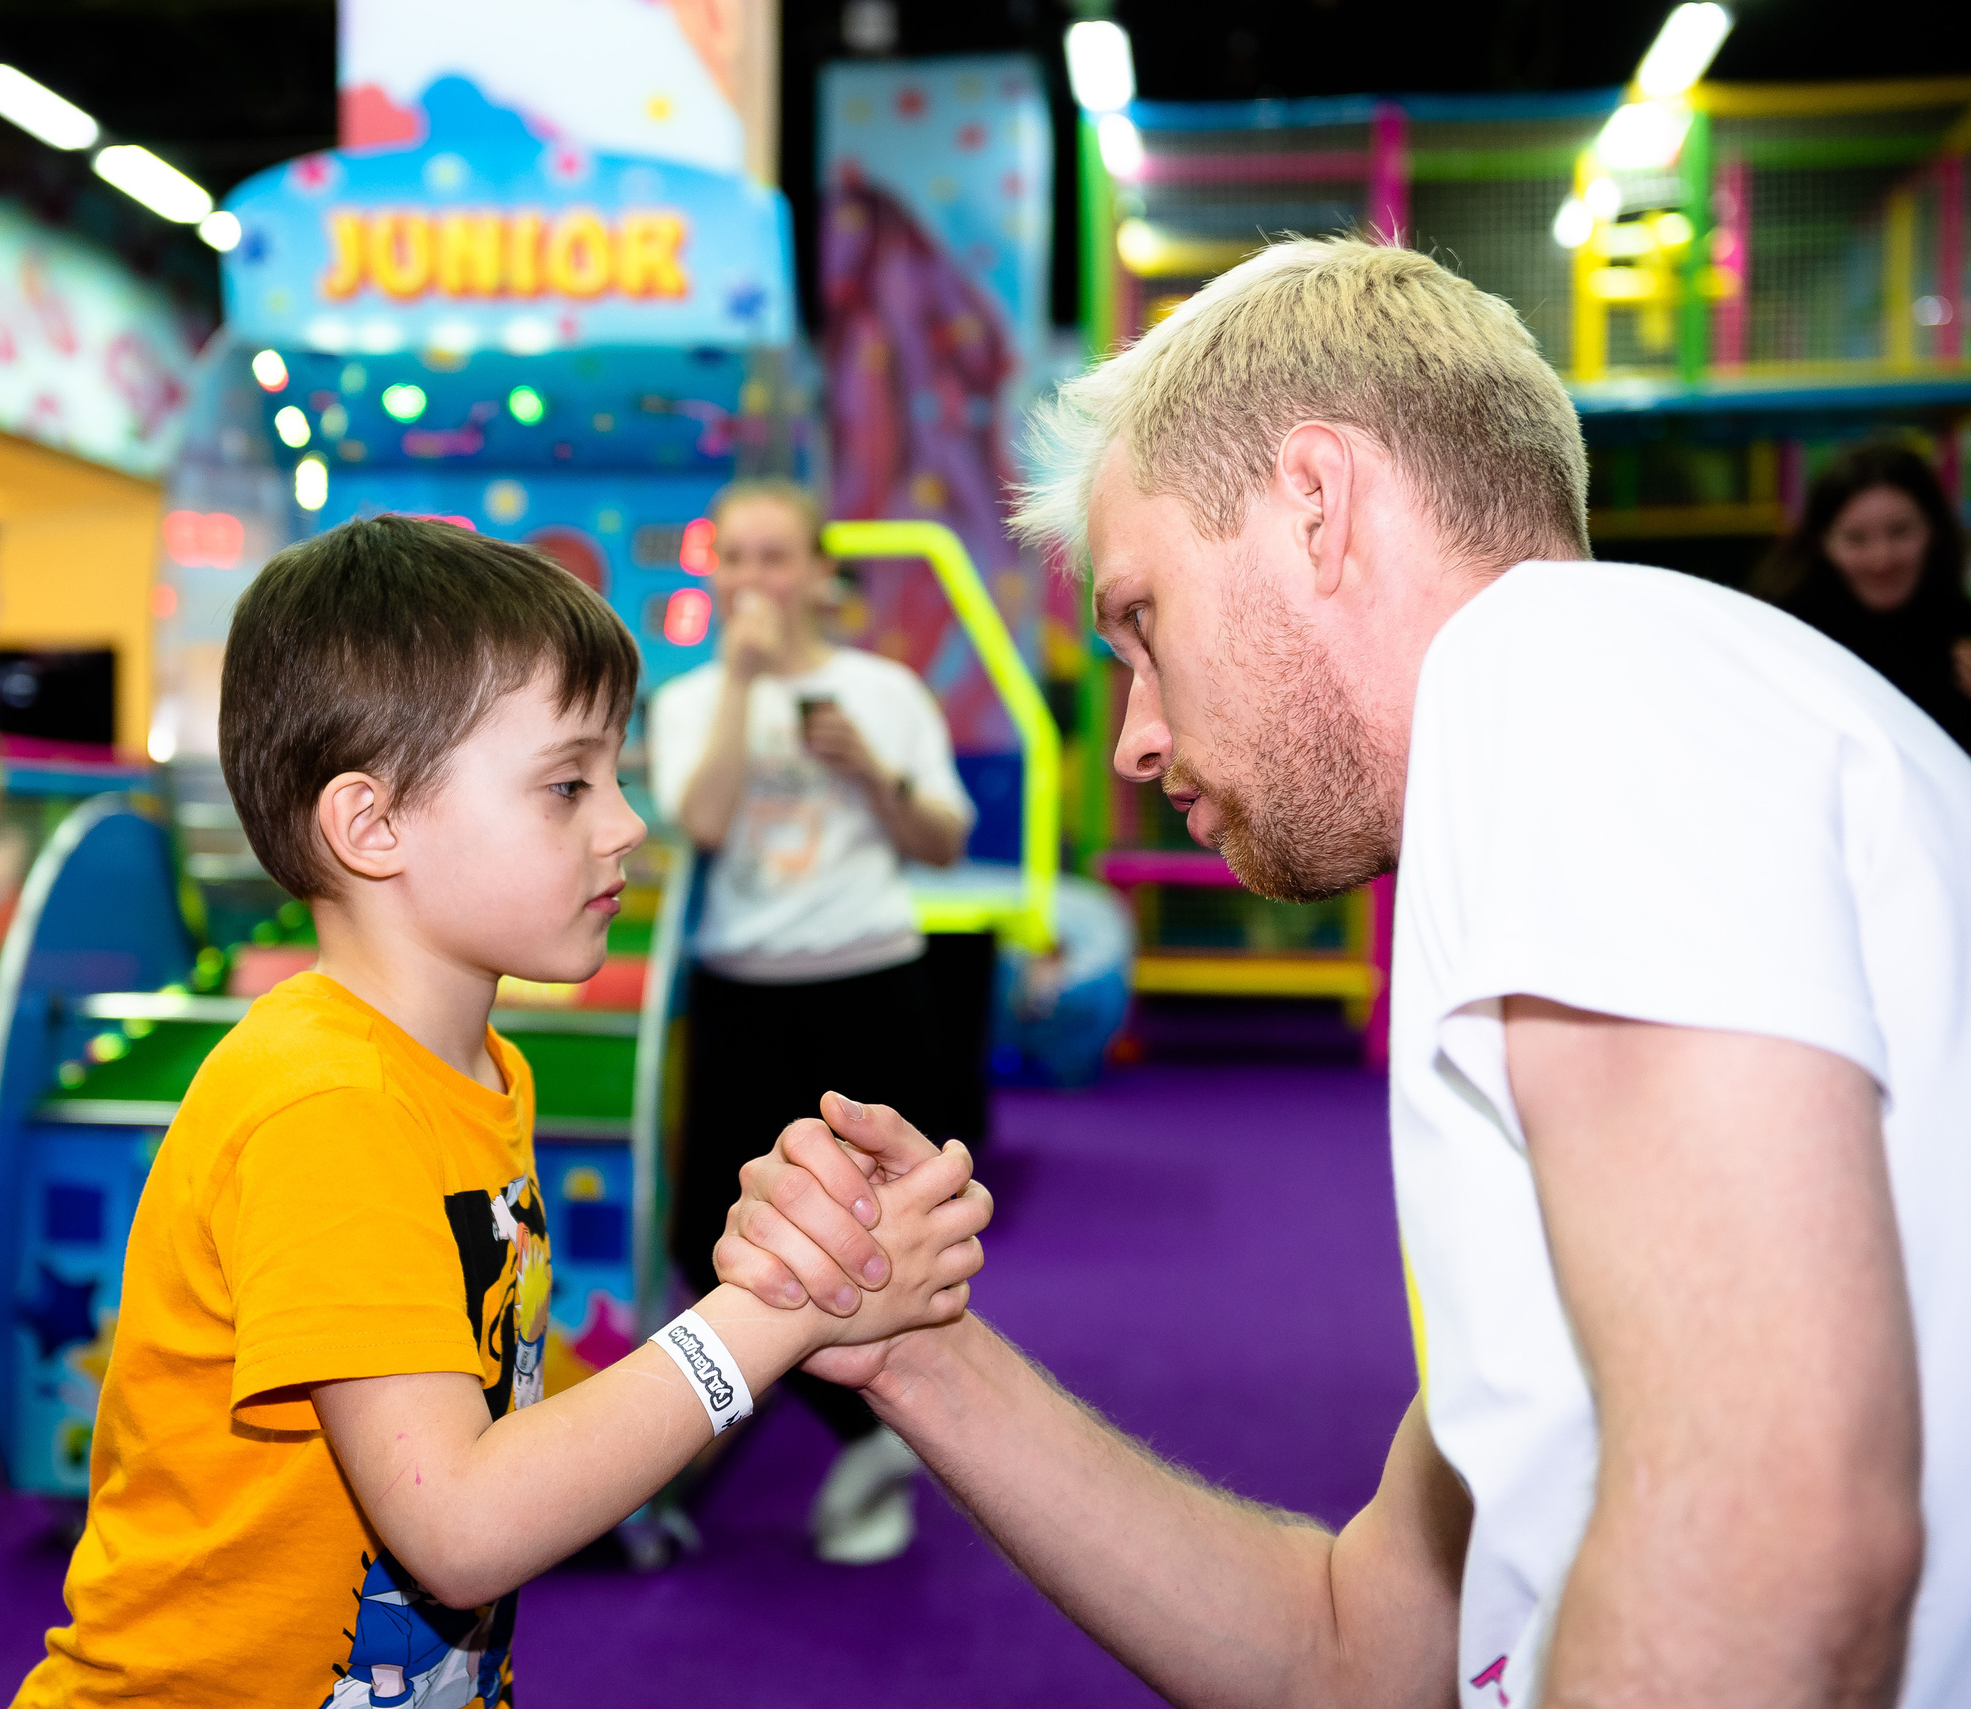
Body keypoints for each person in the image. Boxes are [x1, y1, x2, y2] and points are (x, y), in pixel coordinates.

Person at [717, 237, 1971, 1709]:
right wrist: (917, 1358)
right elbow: (1356, 1651)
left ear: (1314, 503)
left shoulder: (1554, 678)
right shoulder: (1591, 728)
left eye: (1142, 621)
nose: (1133, 735)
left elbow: (1777, 1539)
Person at [10, 516, 991, 1709]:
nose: (626, 821)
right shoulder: (324, 1103)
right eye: (569, 783)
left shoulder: (474, 1069)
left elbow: (494, 1405)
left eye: (616, 774)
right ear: (371, 825)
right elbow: (462, 1522)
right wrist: (766, 1316)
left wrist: (798, 1267)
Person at [646, 477, 976, 1564]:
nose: (751, 578)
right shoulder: (692, 699)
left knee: (883, 1240)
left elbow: (940, 839)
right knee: (712, 1236)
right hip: (743, 989)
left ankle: (885, 1436)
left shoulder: (881, 690)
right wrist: (740, 686)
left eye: (773, 556)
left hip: (870, 985)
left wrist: (872, 778)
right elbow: (695, 821)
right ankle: (866, 1433)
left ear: (819, 574)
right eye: (731, 556)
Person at [1756, 440, 1971, 749]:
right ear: (1821, 542)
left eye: (1899, 532)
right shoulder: (1787, 640)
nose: (1880, 560)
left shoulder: (1962, 636)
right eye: (1855, 539)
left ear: (1933, 530)